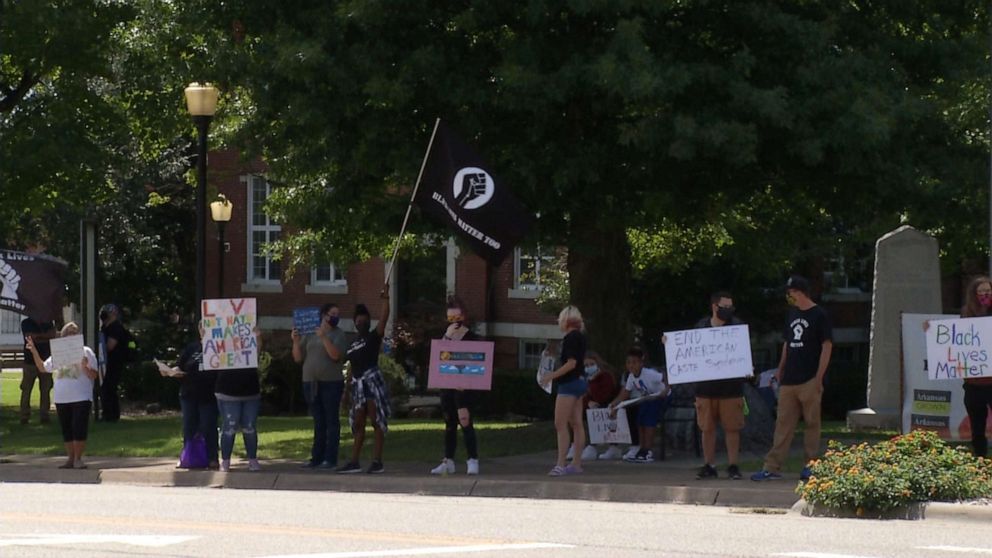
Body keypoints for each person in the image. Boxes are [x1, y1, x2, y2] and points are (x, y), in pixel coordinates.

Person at [752, 275, 832, 481]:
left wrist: (819, 377)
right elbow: (787, 343)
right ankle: (772, 467)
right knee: (783, 424)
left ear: (799, 292)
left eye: (791, 292)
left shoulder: (819, 315)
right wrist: (780, 369)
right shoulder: (791, 314)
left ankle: (811, 465)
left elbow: (827, 345)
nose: (789, 297)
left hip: (810, 379)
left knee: (812, 424)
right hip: (789, 380)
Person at [25, 322, 98, 469]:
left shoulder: (86, 352)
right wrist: (33, 351)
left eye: (74, 333)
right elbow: (43, 367)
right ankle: (70, 458)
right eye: (68, 333)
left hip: (81, 396)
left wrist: (85, 366)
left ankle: (78, 458)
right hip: (62, 397)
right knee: (67, 429)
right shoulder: (58, 353)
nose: (71, 335)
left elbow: (94, 375)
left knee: (79, 428)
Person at [693, 291, 748, 480]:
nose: (729, 310)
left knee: (732, 429)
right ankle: (709, 465)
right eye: (726, 306)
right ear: (714, 306)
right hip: (705, 390)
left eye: (731, 306)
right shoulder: (700, 327)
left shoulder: (738, 326)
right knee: (707, 429)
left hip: (731, 390)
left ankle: (733, 465)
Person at [337, 286, 391, 474]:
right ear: (354, 322)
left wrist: (386, 299)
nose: (361, 321)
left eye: (364, 318)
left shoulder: (373, 337)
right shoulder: (353, 343)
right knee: (358, 423)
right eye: (358, 319)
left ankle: (377, 461)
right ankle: (354, 461)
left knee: (376, 421)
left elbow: (384, 318)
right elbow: (351, 366)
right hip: (358, 385)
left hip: (372, 383)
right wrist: (347, 390)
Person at [430, 296, 482, 476]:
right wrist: (447, 337)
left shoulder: (472, 338)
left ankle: (472, 459)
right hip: (447, 385)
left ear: (463, 317)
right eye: (451, 319)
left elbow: (477, 362)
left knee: (465, 419)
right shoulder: (445, 336)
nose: (454, 323)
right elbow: (438, 357)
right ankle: (448, 460)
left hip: (464, 387)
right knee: (450, 422)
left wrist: (467, 382)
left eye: (457, 318)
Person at [292, 303, 348, 469]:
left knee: (331, 421)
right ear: (323, 315)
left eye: (337, 314)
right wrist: (295, 342)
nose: (335, 317)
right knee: (318, 421)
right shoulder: (310, 334)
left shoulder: (338, 334)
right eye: (332, 313)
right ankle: (316, 458)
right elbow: (297, 358)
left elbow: (336, 355)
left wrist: (324, 337)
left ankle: (330, 459)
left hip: (331, 383)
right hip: (311, 382)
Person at [539, 305, 587, 476]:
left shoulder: (570, 338)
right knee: (577, 423)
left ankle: (560, 463)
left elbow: (571, 363)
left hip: (569, 383)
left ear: (565, 320)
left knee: (560, 424)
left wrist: (551, 376)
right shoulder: (580, 337)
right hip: (580, 381)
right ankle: (576, 463)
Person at [215, 327, 264, 472]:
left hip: (250, 392)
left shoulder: (250, 346)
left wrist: (258, 336)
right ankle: (225, 460)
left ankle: (252, 459)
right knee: (229, 427)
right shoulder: (222, 347)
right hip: (227, 392)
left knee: (249, 427)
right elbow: (210, 351)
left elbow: (258, 348)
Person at [170, 324, 219, 469]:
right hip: (188, 394)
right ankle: (188, 457)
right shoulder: (192, 348)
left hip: (209, 395)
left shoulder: (219, 347)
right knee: (189, 427)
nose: (204, 331)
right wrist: (171, 371)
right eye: (202, 328)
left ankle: (212, 457)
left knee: (208, 425)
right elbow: (180, 365)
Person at [608, 347, 668, 463]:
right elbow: (625, 393)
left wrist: (665, 390)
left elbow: (665, 377)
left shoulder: (649, 374)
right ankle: (642, 448)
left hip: (661, 397)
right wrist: (615, 404)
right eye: (629, 363)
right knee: (640, 418)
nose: (631, 366)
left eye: (634, 362)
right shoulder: (631, 377)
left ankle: (648, 450)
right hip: (649, 398)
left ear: (641, 363)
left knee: (649, 417)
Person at [959, 276, 992, 457]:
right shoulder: (967, 313)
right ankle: (980, 461)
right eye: (981, 292)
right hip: (974, 384)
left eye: (988, 291)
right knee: (977, 428)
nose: (985, 295)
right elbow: (955, 339)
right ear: (974, 294)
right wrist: (929, 329)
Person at [577, 351, 618, 461]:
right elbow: (582, 395)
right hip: (593, 406)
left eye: (591, 364)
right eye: (586, 365)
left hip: (608, 405)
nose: (588, 367)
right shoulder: (586, 378)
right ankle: (585, 445)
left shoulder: (605, 376)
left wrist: (593, 381)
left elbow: (601, 396)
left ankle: (611, 447)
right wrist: (588, 402)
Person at [20, 315, 56, 425]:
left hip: (46, 361)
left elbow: (52, 335)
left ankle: (44, 415)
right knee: (26, 389)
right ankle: (24, 415)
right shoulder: (26, 323)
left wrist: (38, 337)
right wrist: (45, 337)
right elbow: (30, 337)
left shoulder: (49, 322)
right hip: (30, 362)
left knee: (46, 389)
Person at [98, 304, 128, 422]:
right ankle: (108, 413)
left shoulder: (115, 328)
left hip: (114, 362)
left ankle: (111, 415)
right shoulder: (105, 328)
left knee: (109, 388)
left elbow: (110, 346)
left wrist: (100, 348)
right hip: (106, 362)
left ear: (113, 314)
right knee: (106, 388)